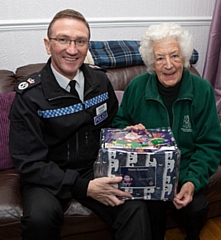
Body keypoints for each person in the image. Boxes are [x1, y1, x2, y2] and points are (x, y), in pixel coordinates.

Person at [9, 9, 151, 240]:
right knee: (39, 219)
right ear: (48, 44)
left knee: (134, 206)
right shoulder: (29, 96)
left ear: (87, 45)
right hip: (48, 174)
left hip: (95, 166)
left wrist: (126, 135)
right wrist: (83, 187)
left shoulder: (100, 80)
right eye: (63, 39)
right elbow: (29, 162)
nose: (72, 49)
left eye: (80, 41)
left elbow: (111, 123)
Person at [112, 22, 221, 240]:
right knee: (151, 213)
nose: (168, 65)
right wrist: (129, 131)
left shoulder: (202, 90)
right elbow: (118, 124)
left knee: (197, 208)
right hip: (149, 173)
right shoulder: (136, 86)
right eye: (160, 58)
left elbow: (210, 144)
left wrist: (192, 181)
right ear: (152, 62)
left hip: (186, 169)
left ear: (184, 57)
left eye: (174, 55)